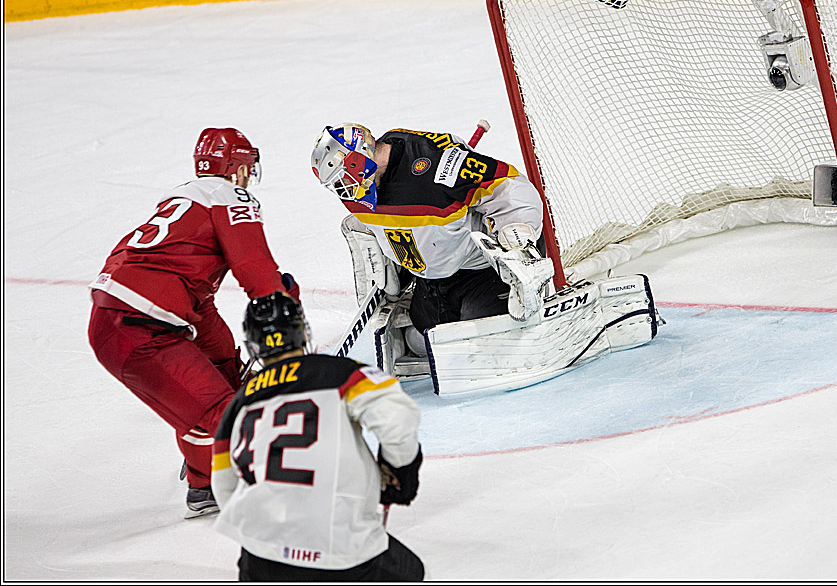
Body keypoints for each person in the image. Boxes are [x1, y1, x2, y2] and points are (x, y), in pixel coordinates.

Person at [87, 127, 300, 519]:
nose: (249, 176)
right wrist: (279, 301)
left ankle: (206, 478)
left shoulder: (183, 197)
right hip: (138, 328)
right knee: (226, 413)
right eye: (247, 167)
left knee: (218, 383)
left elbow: (194, 300)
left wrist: (229, 364)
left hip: (126, 318)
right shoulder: (229, 195)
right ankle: (271, 486)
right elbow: (252, 264)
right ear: (237, 168)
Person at [212, 292, 425, 581]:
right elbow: (397, 421)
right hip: (338, 548)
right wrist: (400, 470)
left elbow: (223, 487)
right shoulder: (339, 373)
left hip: (261, 556)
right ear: (302, 332)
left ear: (253, 345)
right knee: (411, 572)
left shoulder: (237, 404)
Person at [309, 122, 550, 365]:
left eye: (341, 178)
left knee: (486, 341)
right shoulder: (358, 190)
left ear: (357, 161)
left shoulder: (438, 167)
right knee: (421, 340)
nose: (341, 189)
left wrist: (518, 234)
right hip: (434, 280)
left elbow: (510, 186)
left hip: (483, 269)